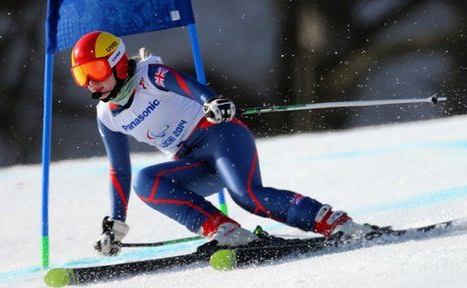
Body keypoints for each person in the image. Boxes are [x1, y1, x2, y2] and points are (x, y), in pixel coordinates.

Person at [70, 31, 371, 256]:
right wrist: (117, 222)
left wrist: (210, 100)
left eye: (95, 71)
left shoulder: (150, 76)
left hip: (220, 137)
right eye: (81, 75)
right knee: (146, 181)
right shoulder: (107, 115)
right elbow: (119, 170)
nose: (90, 83)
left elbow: (184, 84)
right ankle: (225, 232)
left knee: (248, 196)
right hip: (192, 162)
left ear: (118, 64)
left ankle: (333, 222)